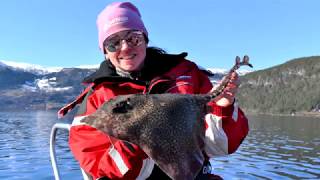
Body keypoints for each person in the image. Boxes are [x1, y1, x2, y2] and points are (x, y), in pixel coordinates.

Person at [58, 2, 249, 179]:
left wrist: (222, 107)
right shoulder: (97, 98)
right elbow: (96, 167)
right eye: (113, 43)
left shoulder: (186, 74)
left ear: (145, 39)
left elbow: (224, 146)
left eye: (133, 38)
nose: (124, 48)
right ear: (105, 52)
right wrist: (134, 142)